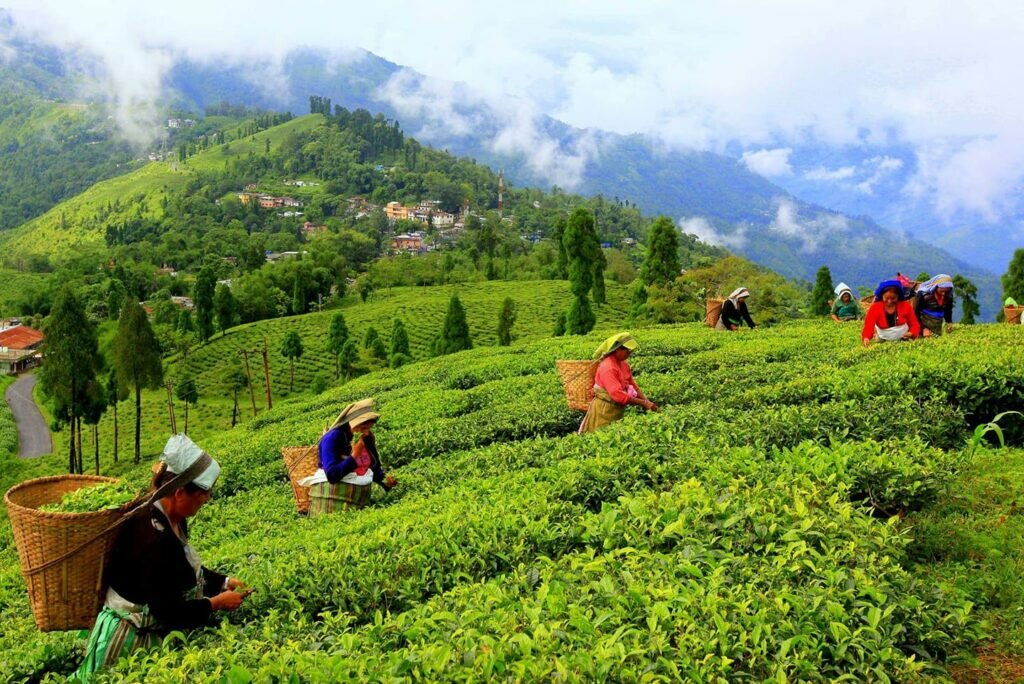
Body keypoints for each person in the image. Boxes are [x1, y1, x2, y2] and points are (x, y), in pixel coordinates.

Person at [73, 435, 248, 680]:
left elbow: (181, 571)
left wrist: (223, 582)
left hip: (153, 633)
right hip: (129, 640)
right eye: (203, 493)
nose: (207, 499)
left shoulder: (174, 519)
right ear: (179, 493)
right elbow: (166, 610)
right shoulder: (150, 536)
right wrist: (216, 603)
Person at [301, 399, 396, 516]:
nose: (366, 432)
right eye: (363, 428)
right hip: (334, 490)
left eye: (369, 428)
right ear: (352, 424)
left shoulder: (367, 437)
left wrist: (386, 481)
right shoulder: (332, 438)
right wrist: (354, 455)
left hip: (359, 490)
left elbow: (375, 467)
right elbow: (332, 475)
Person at [579, 332, 659, 434]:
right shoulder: (608, 367)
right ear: (618, 349)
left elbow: (633, 385)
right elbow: (618, 395)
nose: (629, 353)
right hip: (604, 410)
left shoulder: (623, 364)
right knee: (600, 435)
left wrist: (648, 402)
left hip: (617, 409)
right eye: (627, 351)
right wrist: (643, 403)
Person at [861, 280, 920, 347]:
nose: (889, 301)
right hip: (883, 339)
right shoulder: (875, 308)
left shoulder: (905, 306)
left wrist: (911, 333)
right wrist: (866, 337)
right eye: (886, 298)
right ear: (882, 296)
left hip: (904, 338)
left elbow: (914, 323)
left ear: (898, 296)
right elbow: (869, 325)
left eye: (893, 298)